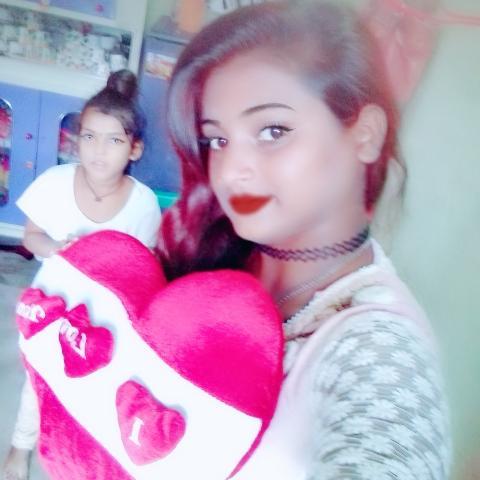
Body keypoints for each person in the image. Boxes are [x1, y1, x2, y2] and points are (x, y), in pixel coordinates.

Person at [157, 2, 451, 478]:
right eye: (217, 140)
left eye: (272, 130)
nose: (229, 172)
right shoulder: (209, 247)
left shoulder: (378, 348)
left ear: (366, 135)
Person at [2, 69, 161, 480]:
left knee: (92, 384)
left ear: (135, 149)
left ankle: (75, 452)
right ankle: (20, 446)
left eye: (114, 140)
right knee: (39, 376)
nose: (98, 151)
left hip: (104, 314)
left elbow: (143, 267)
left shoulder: (143, 203)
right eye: (89, 137)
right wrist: (57, 248)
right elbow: (32, 237)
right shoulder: (54, 183)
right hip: (51, 304)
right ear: (77, 139)